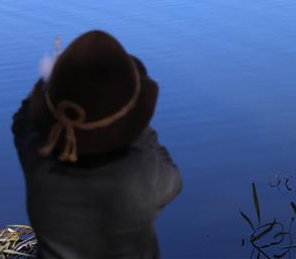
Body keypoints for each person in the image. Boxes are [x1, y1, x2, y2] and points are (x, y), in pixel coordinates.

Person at [12, 30, 182, 259]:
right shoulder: (144, 175)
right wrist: (134, 122)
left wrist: (50, 84)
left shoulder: (38, 160)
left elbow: (23, 119)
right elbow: (173, 177)